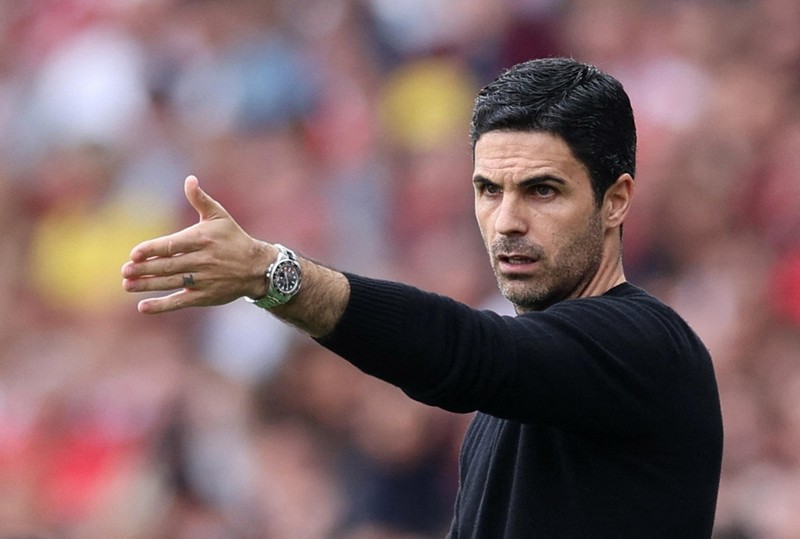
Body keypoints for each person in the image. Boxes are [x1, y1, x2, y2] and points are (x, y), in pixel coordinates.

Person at [121, 57, 723, 538]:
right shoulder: (505, 406)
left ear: (615, 200)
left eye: (542, 190)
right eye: (489, 190)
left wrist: (272, 275)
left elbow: (466, 351)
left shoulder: (649, 347)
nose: (507, 220)